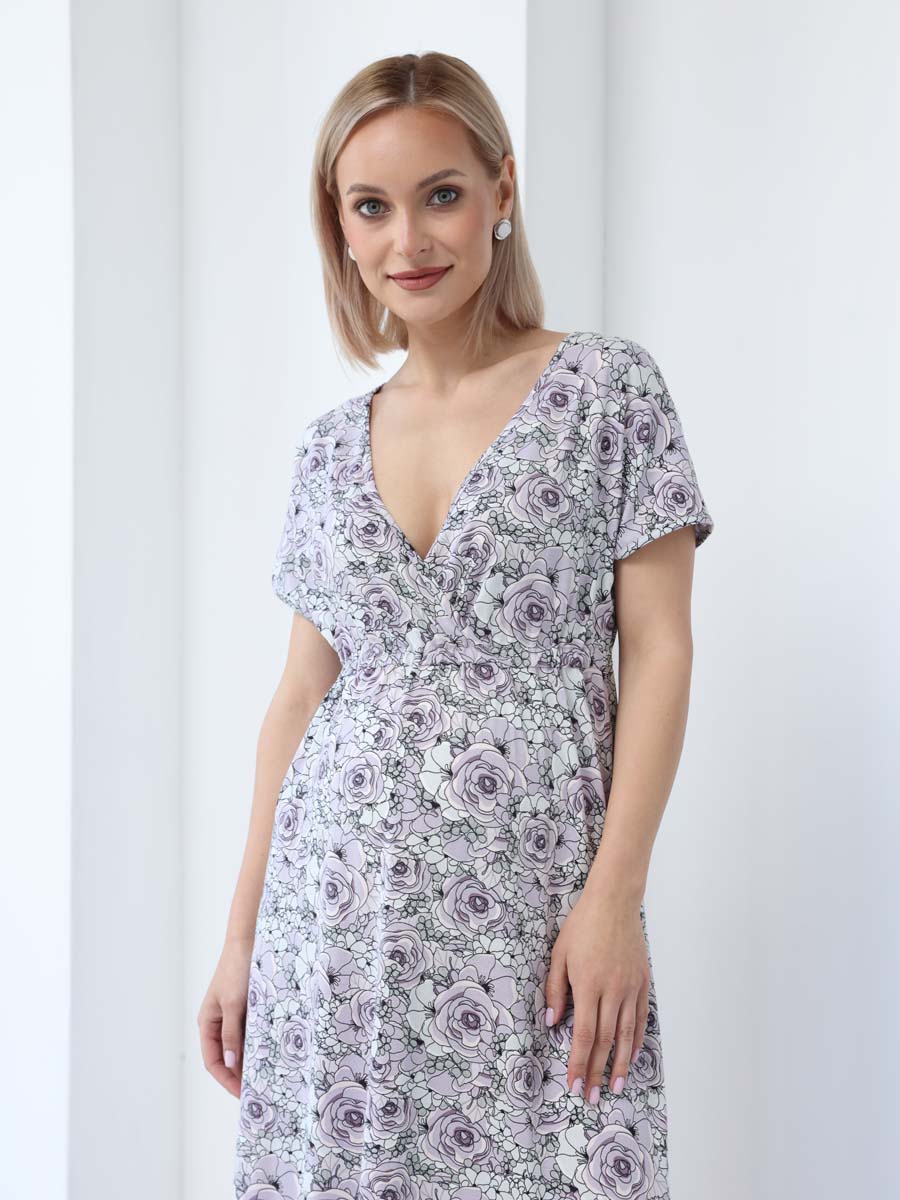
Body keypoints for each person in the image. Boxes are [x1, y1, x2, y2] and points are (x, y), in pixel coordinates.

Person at [199, 51, 715, 1200]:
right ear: (339, 228)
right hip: (334, 919)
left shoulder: (607, 393)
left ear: (501, 191)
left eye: (440, 194)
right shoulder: (327, 450)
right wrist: (241, 939)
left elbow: (661, 651)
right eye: (370, 208)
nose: (409, 241)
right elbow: (299, 698)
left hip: (534, 909)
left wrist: (614, 899)